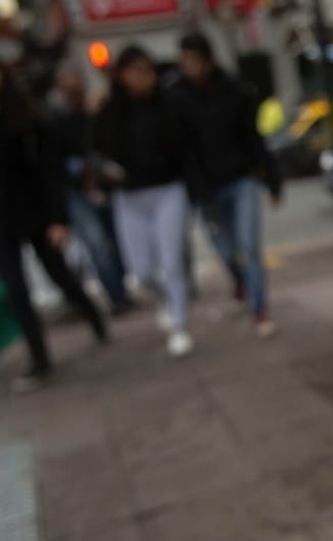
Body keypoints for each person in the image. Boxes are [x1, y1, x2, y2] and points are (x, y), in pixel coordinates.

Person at [0, 65, 107, 392]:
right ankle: (39, 357)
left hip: (36, 215)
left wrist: (57, 218)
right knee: (17, 289)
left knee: (59, 276)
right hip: (2, 222)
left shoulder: (27, 120)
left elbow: (50, 173)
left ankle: (93, 316)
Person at [170, 32, 282, 338]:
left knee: (250, 247)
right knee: (226, 250)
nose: (189, 67)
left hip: (242, 179)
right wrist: (195, 192)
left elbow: (254, 139)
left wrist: (272, 179)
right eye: (184, 61)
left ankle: (259, 309)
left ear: (207, 60)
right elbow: (182, 152)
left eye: (193, 60)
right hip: (207, 190)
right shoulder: (177, 98)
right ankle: (241, 281)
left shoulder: (235, 91)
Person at [94, 45, 193, 357]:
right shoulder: (111, 110)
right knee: (142, 271)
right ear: (122, 75)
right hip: (130, 196)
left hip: (168, 190)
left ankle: (179, 323)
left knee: (172, 262)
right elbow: (96, 150)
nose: (142, 78)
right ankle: (164, 300)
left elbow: (185, 148)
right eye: (135, 71)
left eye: (147, 70)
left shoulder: (168, 104)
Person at [48, 65, 132, 315]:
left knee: (116, 240)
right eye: (67, 88)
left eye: (76, 87)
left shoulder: (93, 114)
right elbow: (53, 162)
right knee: (97, 244)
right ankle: (116, 296)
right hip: (77, 192)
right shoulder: (55, 121)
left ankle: (121, 289)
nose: (73, 92)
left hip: (103, 185)